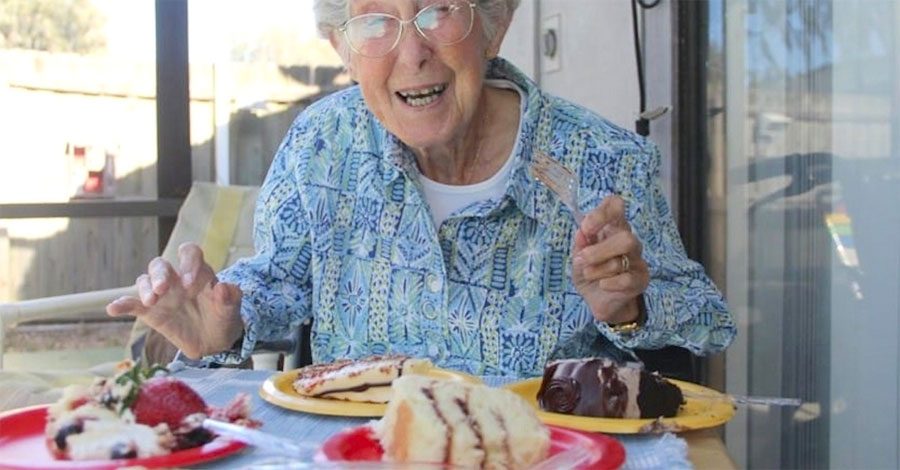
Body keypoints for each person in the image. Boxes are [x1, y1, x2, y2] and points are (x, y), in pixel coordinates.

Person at [107, 0, 735, 378]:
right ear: (344, 49)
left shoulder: (603, 161)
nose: (413, 54)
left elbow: (706, 323)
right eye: (377, 23)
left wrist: (630, 308)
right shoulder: (322, 144)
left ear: (493, 25)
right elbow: (279, 281)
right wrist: (228, 324)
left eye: (438, 12)